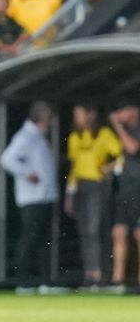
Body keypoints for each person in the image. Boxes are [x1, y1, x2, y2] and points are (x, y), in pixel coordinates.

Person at [0, 103, 59, 293]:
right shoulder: (25, 136)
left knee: (43, 240)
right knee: (29, 238)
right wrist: (28, 173)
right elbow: (7, 159)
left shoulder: (37, 137)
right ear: (41, 118)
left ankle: (46, 281)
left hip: (43, 197)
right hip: (32, 198)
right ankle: (23, 282)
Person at [65, 105, 121, 288]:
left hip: (98, 185)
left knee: (95, 229)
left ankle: (100, 273)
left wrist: (110, 167)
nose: (77, 118)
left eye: (80, 113)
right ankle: (89, 273)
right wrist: (69, 194)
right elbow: (74, 167)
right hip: (81, 185)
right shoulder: (75, 138)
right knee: (84, 231)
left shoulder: (104, 134)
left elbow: (121, 154)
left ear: (90, 114)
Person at [107, 105, 140, 291]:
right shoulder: (123, 132)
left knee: (138, 234)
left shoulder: (134, 130)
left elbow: (133, 148)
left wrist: (118, 127)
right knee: (119, 232)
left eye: (123, 111)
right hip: (124, 191)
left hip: (139, 190)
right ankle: (117, 279)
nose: (119, 115)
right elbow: (124, 156)